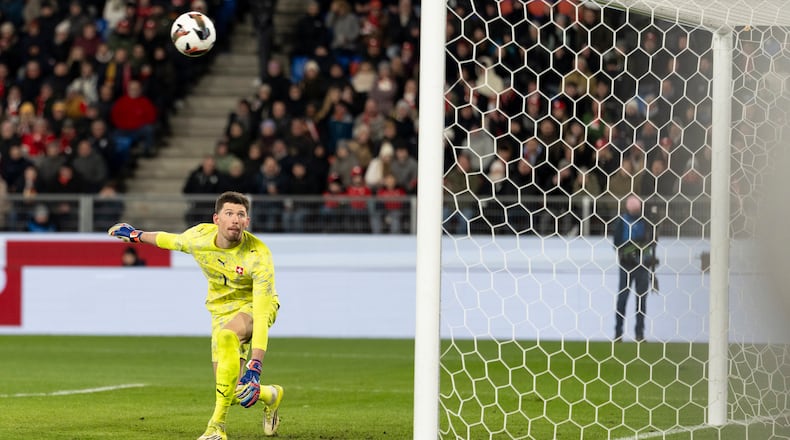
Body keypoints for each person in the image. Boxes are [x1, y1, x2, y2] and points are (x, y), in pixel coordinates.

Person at [108, 191, 284, 439]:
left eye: (241, 215)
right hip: (220, 310)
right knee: (230, 390)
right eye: (229, 214)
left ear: (247, 222)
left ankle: (216, 428)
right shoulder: (199, 238)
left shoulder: (259, 255)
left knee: (226, 337)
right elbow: (169, 239)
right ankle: (272, 395)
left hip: (255, 306)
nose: (235, 219)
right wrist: (136, 235)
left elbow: (263, 308)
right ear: (217, 219)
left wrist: (255, 364)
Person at [613, 194, 658, 343]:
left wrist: (648, 257)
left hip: (642, 266)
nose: (635, 212)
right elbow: (616, 243)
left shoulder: (646, 222)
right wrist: (626, 253)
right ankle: (618, 333)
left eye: (637, 209)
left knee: (641, 300)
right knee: (623, 299)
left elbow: (652, 241)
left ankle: (639, 333)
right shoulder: (622, 221)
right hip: (626, 265)